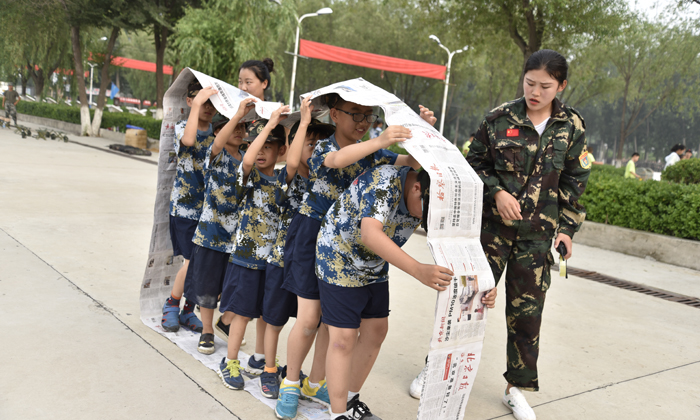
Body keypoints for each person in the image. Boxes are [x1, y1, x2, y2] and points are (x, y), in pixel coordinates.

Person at [275, 92, 427, 420]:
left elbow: (409, 165)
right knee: (309, 319)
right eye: (354, 114)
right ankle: (290, 382)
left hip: (347, 244)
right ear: (334, 115)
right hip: (311, 233)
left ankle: (316, 383)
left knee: (334, 324)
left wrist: (420, 131)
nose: (362, 123)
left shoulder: (375, 152)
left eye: (367, 116)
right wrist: (380, 139)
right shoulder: (326, 148)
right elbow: (337, 161)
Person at [317, 164, 496, 420]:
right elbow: (369, 234)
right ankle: (337, 415)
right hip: (339, 257)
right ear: (416, 188)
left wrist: (481, 287)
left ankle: (348, 400)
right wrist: (417, 269)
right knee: (342, 338)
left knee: (376, 330)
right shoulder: (384, 183)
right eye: (429, 212)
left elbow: (460, 248)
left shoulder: (431, 199)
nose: (430, 220)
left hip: (374, 263)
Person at [467, 49, 589, 420]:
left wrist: (566, 231)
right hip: (492, 231)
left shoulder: (572, 126)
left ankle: (515, 387)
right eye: (529, 83)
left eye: (545, 86)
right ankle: (440, 367)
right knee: (468, 299)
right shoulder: (499, 118)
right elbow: (473, 162)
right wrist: (497, 192)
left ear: (561, 85)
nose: (535, 91)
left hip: (537, 239)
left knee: (527, 317)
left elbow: (574, 182)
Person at [260, 96, 336, 400]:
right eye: (309, 144)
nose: (315, 151)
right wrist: (303, 121)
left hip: (312, 261)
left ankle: (300, 374)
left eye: (320, 145)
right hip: (282, 258)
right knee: (275, 319)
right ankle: (268, 369)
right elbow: (292, 161)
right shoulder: (287, 176)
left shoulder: (325, 179)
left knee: (309, 321)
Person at [217, 106, 290, 390]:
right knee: (242, 314)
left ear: (280, 151)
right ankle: (231, 360)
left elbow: (296, 162)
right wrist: (270, 124)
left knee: (265, 313)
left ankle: (259, 358)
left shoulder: (283, 180)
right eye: (255, 145)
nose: (260, 152)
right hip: (245, 260)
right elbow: (247, 161)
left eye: (268, 146)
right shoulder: (251, 178)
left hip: (270, 264)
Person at [183, 94, 256, 354]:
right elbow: (216, 145)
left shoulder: (249, 159)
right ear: (219, 131)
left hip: (237, 237)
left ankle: (225, 324)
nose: (238, 131)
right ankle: (207, 331)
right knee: (206, 287)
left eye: (242, 127)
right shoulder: (214, 155)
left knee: (231, 287)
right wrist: (237, 114)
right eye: (233, 127)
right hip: (210, 233)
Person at [161, 80, 217, 334]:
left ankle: (187, 310)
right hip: (184, 209)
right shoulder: (184, 126)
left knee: (201, 262)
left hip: (207, 211)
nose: (207, 107)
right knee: (191, 260)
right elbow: (189, 140)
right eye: (201, 101)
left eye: (211, 102)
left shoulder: (218, 135)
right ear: (189, 101)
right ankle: (171, 304)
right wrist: (196, 107)